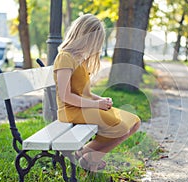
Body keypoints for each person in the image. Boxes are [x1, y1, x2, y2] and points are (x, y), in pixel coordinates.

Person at [53, 14, 141, 172]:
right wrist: (95, 104)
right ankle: (87, 156)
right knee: (120, 127)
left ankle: (88, 156)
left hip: (83, 107)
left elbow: (85, 93)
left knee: (134, 122)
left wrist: (101, 100)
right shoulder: (65, 58)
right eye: (95, 41)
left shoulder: (81, 59)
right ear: (84, 36)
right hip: (70, 110)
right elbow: (65, 96)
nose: (95, 46)